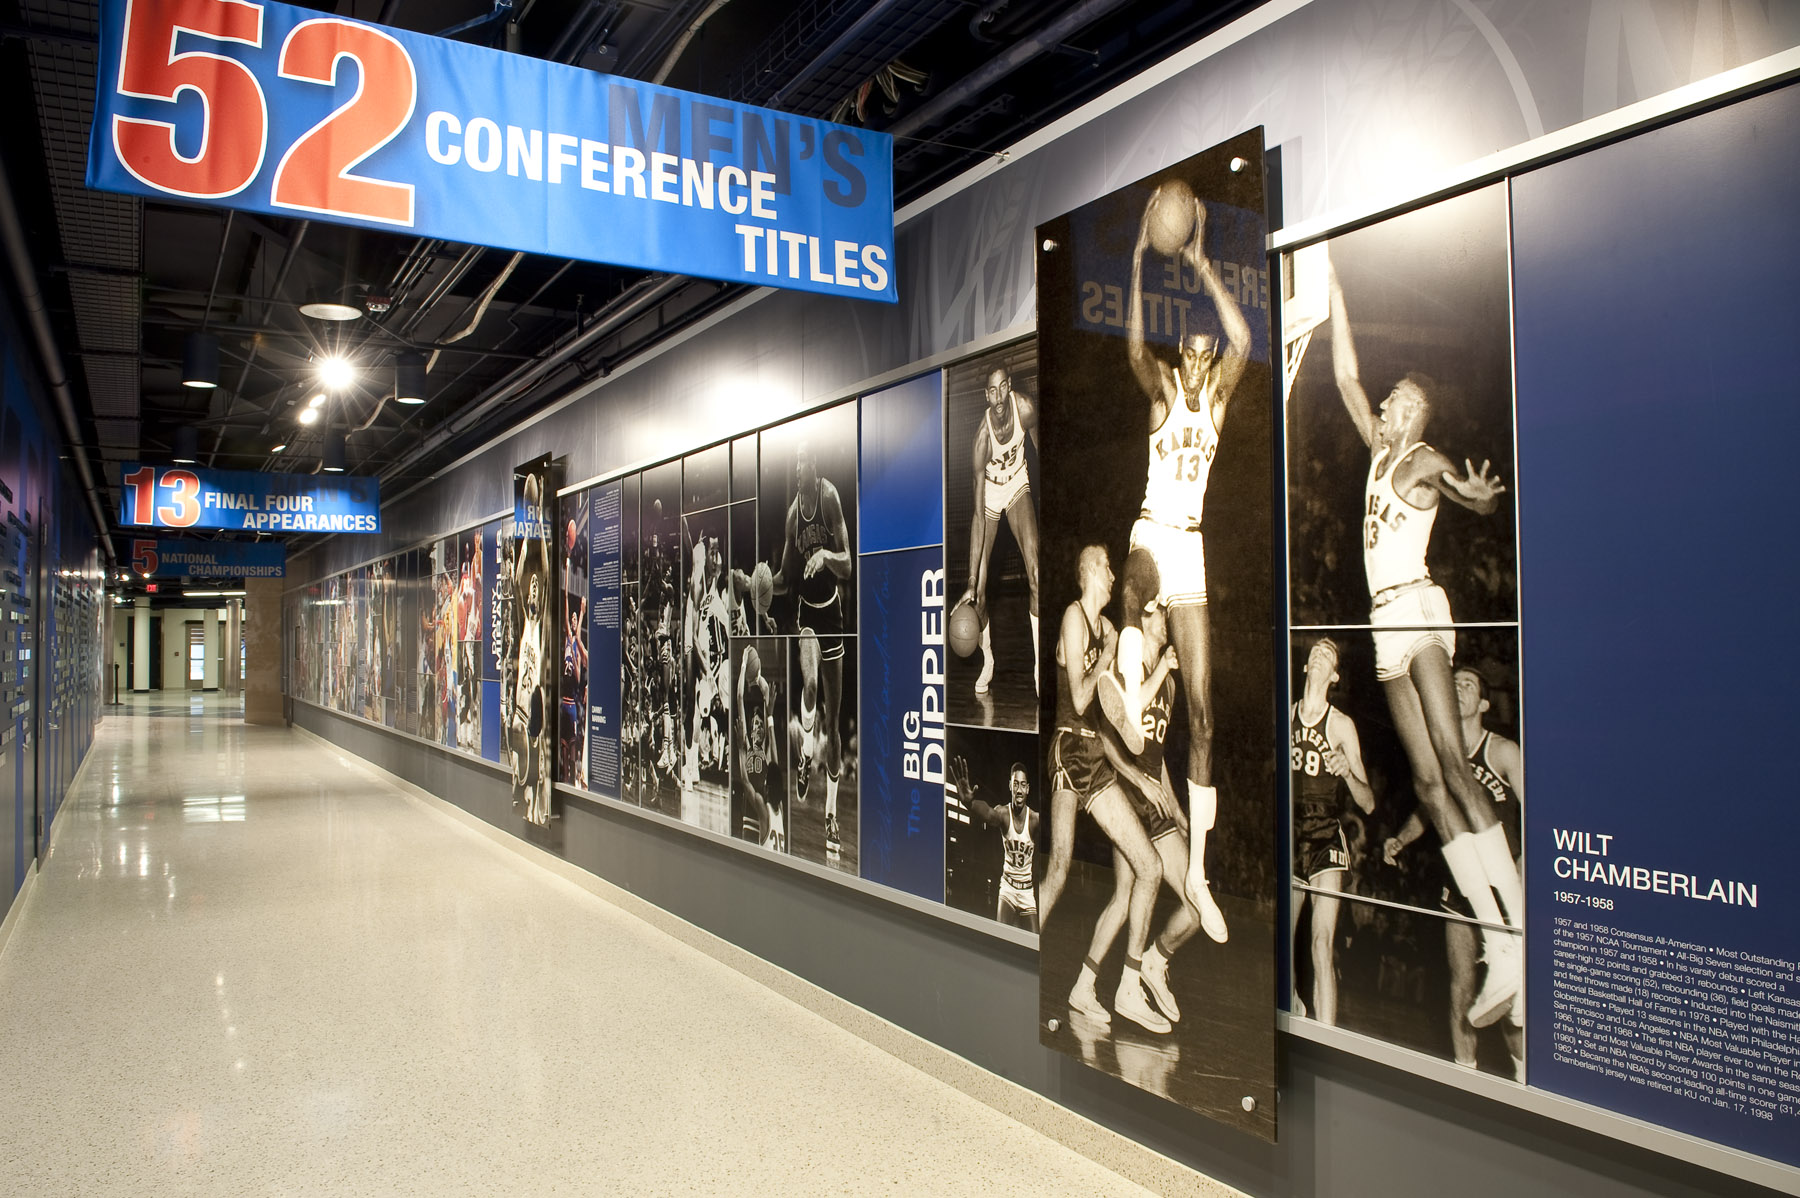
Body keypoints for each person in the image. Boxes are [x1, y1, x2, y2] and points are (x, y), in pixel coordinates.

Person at [1328, 261, 1522, 1027]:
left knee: (1453, 760)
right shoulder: (1377, 456)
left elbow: (1453, 483)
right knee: (1429, 787)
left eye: (1394, 401)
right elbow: (1344, 376)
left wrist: (1472, 496)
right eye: (1386, 401)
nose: (1381, 405)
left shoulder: (1420, 456)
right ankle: (1495, 943)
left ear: (1416, 414)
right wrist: (1332, 285)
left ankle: (1514, 931)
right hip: (1383, 624)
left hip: (1419, 608)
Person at [1095, 184, 1249, 940]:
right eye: (1184, 355)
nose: (1191, 365)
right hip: (1153, 531)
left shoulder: (1217, 401)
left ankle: (1201, 872)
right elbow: (1131, 350)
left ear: (1208, 359)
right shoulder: (1162, 399)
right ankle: (1126, 668)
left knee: (1205, 716)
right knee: (1135, 583)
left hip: (1193, 544)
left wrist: (1202, 264)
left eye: (1199, 356)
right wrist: (1135, 265)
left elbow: (1246, 343)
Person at [1039, 544, 1170, 1034]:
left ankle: (1091, 987)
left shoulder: (1109, 629)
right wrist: (1108, 658)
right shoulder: (1076, 619)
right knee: (1067, 863)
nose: (1114, 575)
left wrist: (1139, 669)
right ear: (1090, 570)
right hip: (1070, 746)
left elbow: (1116, 701)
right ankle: (1019, 942)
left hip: (1095, 755)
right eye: (1108, 567)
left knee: (1137, 868)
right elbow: (1078, 695)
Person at [1385, 665, 1525, 1076]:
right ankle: (1465, 1072)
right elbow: (1429, 811)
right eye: (1454, 683)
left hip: (1503, 884)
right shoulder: (1438, 754)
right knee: (1461, 985)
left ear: (1483, 702)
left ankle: (1520, 1073)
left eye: (1469, 685)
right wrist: (1402, 838)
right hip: (1460, 884)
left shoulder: (1502, 752)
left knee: (1510, 993)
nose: (1459, 689)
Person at [1086, 600, 1214, 1024]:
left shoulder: (1173, 686)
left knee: (1197, 902)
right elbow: (1106, 737)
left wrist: (1177, 809)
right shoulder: (1131, 668)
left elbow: (1156, 756)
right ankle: (1125, 982)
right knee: (1138, 885)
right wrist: (1138, 781)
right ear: (1145, 620)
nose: (1169, 620)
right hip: (1125, 793)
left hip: (1156, 801)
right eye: (1161, 613)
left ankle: (1155, 962)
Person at [770, 442, 853, 855]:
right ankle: (805, 754)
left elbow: (849, 565)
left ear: (814, 466)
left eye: (807, 460)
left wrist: (824, 555)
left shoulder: (829, 497)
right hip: (806, 615)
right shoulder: (791, 517)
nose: (802, 466)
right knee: (808, 686)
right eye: (797, 460)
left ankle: (831, 816)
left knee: (834, 728)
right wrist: (759, 583)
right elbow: (784, 578)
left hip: (832, 613)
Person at [1289, 637, 1375, 1026]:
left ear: (1335, 675)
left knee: (1321, 943)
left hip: (1325, 834)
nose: (1320, 653)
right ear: (1306, 667)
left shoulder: (1341, 724)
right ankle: (1291, 1000)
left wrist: (1346, 771)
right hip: (1291, 833)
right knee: (1285, 941)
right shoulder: (1287, 713)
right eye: (1315, 652)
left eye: (1330, 653)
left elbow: (1369, 801)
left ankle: (1327, 1036)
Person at [957, 366, 1041, 695]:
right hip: (991, 495)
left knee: (1037, 573)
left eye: (1001, 388)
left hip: (1018, 484)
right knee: (976, 594)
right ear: (986, 396)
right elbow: (978, 515)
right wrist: (970, 580)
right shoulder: (981, 441)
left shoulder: (1026, 409)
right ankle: (988, 658)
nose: (997, 397)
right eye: (990, 392)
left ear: (1008, 387)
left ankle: (1039, 668)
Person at [949, 756, 1041, 932]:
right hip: (1008, 888)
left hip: (1027, 892)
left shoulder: (1035, 819)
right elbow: (988, 813)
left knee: (1033, 943)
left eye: (1023, 785)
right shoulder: (1003, 814)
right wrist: (969, 803)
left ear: (1028, 789)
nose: (1019, 790)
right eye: (1015, 784)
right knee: (1001, 937)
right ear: (1010, 786)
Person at [734, 644, 784, 851]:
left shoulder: (764, 747)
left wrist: (759, 676)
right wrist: (744, 665)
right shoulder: (745, 742)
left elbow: (766, 692)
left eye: (759, 724)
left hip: (763, 806)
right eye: (754, 723)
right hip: (750, 809)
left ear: (762, 731)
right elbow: (739, 697)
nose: (756, 725)